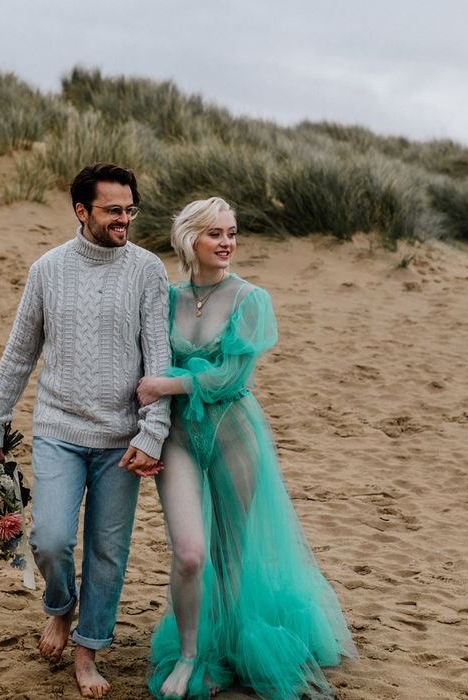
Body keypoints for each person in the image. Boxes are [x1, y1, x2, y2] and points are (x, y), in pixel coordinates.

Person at [137, 197, 357, 699]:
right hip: (178, 439)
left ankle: (232, 651)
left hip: (233, 432)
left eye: (232, 233)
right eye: (215, 233)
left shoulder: (249, 298)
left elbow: (229, 375)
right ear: (189, 238)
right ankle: (192, 654)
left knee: (232, 554)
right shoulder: (167, 298)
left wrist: (163, 386)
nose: (227, 243)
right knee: (190, 553)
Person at [0, 163, 171, 698]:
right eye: (113, 210)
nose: (124, 219)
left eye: (130, 209)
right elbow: (19, 353)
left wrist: (151, 434)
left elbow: (160, 361)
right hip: (58, 428)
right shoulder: (47, 269)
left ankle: (88, 649)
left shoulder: (149, 271)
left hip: (122, 442)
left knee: (107, 554)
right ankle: (60, 608)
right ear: (81, 211)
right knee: (52, 539)